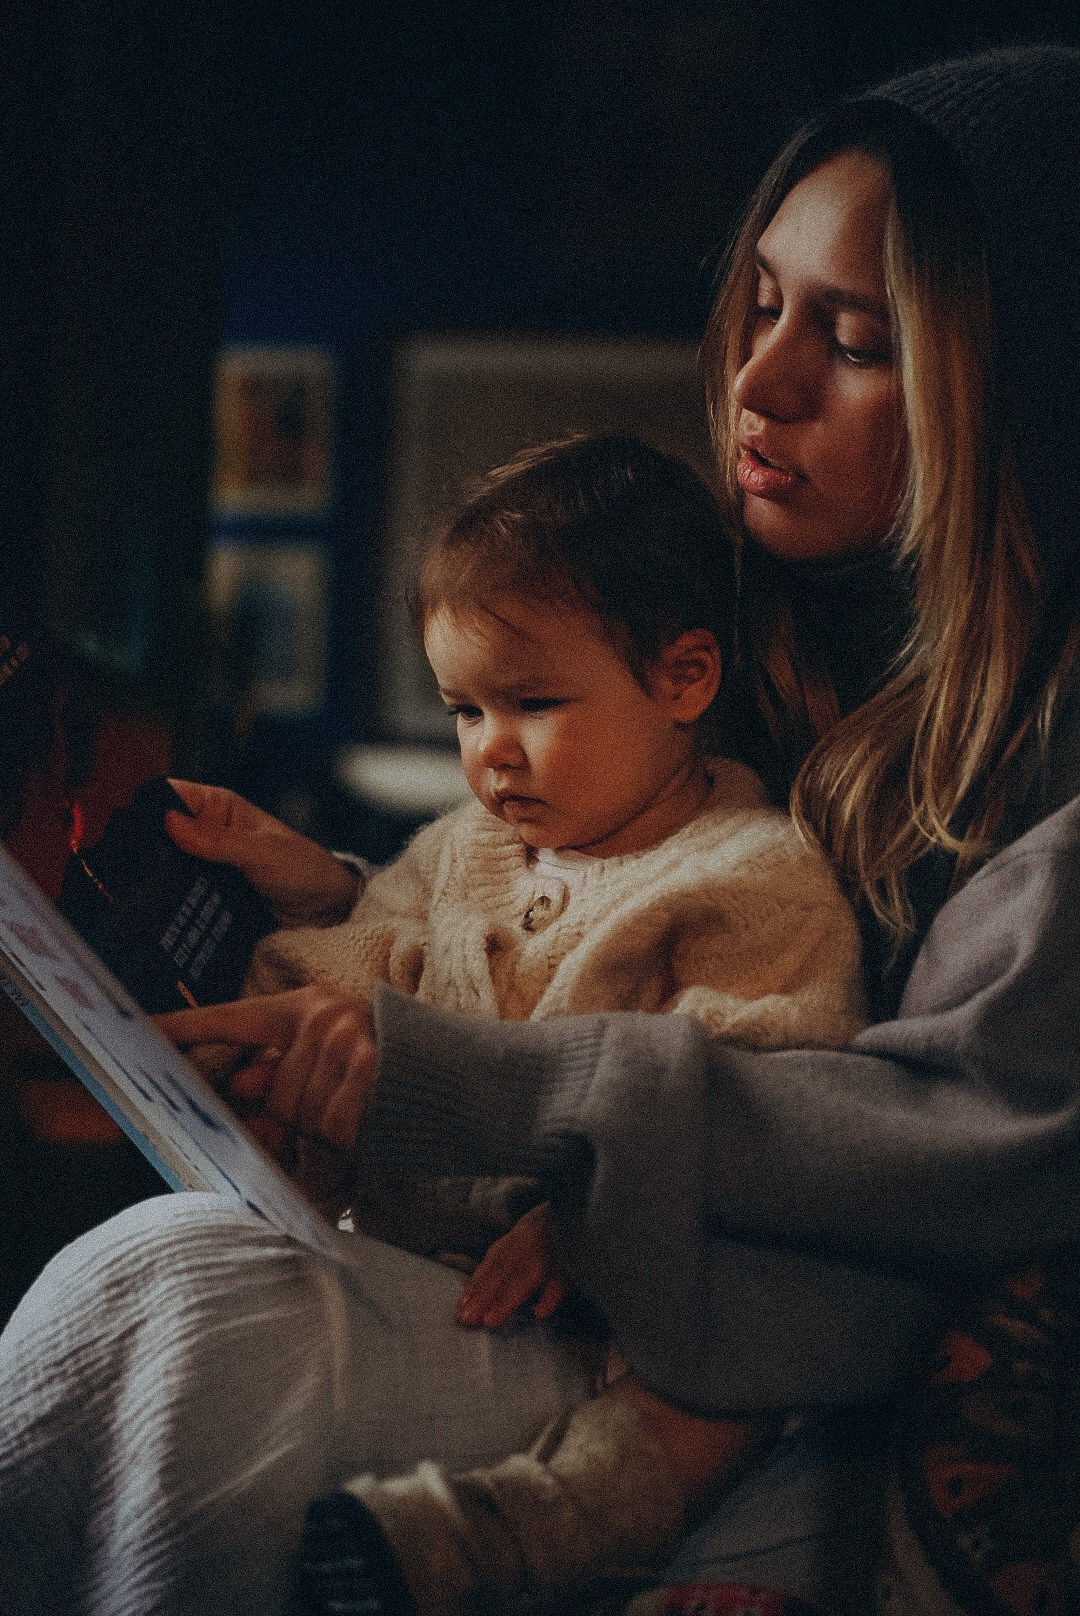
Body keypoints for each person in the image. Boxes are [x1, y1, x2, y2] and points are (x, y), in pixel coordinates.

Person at [2, 42, 1079, 1616]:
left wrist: (553, 1133)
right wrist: (310, 905)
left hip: (780, 1399)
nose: (762, 383)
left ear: (1029, 396)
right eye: (764, 307)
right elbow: (567, 920)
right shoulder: (745, 644)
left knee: (186, 1316)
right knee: (152, 1280)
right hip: (582, 1286)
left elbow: (943, 1146)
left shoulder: (1046, 761)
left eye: (855, 341)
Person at [232, 430, 865, 1615]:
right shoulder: (468, 848)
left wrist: (594, 1216)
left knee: (658, 1441)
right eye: (464, 710)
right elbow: (357, 954)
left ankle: (489, 1553)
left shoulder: (749, 875)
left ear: (684, 678)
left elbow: (766, 1087)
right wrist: (256, 1052)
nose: (490, 754)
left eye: (533, 703)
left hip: (639, 1320)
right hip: (421, 1271)